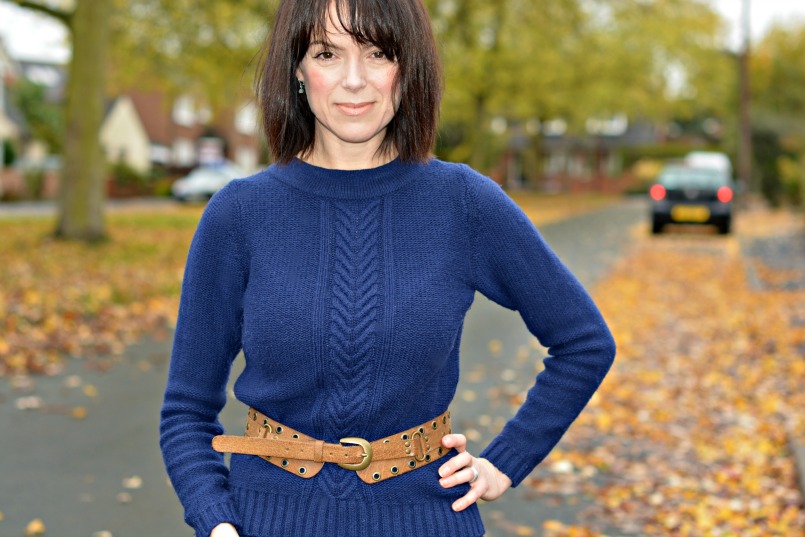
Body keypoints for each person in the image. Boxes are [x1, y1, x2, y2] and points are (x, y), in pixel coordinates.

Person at [159, 0, 616, 535]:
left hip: (427, 518)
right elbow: (186, 410)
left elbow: (584, 342)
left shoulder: (463, 203)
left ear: (409, 69)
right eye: (328, 53)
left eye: (379, 53)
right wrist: (216, 522)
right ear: (298, 72)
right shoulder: (238, 215)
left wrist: (505, 463)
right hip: (266, 521)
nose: (355, 80)